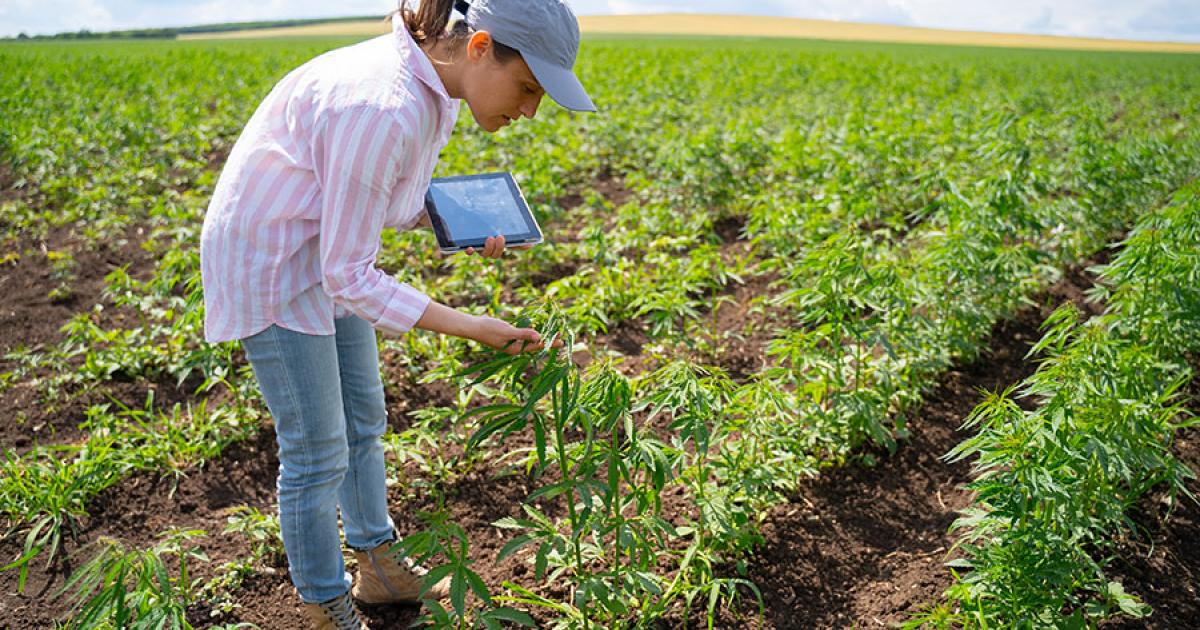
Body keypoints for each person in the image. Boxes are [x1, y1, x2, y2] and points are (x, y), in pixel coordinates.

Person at [198, 0, 596, 627]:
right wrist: (473, 327)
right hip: (274, 263)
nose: (528, 111)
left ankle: (378, 566)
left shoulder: (434, 90)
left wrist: (459, 222)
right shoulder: (382, 105)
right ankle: (324, 604)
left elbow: (378, 199)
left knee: (363, 419)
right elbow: (348, 275)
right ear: (479, 47)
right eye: (527, 88)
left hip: (323, 246)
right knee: (316, 450)